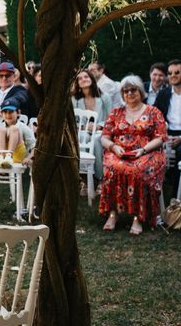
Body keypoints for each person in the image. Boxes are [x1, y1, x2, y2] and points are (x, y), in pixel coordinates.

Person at [99, 75, 167, 235]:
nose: (129, 93)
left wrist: (143, 150)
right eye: (125, 90)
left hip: (147, 152)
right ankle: (113, 214)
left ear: (141, 91)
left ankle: (138, 217)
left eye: (133, 90)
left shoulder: (153, 111)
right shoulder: (116, 112)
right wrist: (114, 147)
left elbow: (160, 137)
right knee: (113, 168)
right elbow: (104, 136)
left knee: (138, 170)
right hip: (118, 152)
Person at [71, 69, 113, 182]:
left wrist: (99, 126)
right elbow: (73, 121)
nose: (83, 79)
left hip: (101, 131)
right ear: (77, 83)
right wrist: (84, 127)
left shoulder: (104, 97)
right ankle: (84, 178)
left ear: (92, 79)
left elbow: (111, 118)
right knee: (83, 137)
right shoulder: (75, 100)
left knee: (96, 140)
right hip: (83, 131)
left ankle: (100, 178)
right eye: (80, 78)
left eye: (86, 77)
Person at [154, 59, 181, 196]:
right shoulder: (163, 94)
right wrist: (163, 134)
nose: (173, 75)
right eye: (170, 73)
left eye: (177, 72)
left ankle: (174, 199)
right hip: (166, 132)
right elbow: (154, 117)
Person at [0, 99, 35, 168]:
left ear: (18, 112)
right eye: (5, 112)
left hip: (17, 156)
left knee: (13, 128)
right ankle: (1, 157)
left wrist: (29, 158)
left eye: (11, 112)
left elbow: (33, 146)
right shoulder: (1, 127)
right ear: (2, 114)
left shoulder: (23, 126)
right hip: (3, 155)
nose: (8, 115)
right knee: (1, 130)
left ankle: (9, 155)